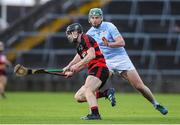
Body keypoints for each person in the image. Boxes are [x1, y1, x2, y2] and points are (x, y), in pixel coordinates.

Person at [86, 8, 168, 115]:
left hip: (120, 58)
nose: (95, 20)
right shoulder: (89, 34)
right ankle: (95, 113)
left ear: (101, 18)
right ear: (89, 20)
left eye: (97, 18)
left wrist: (109, 44)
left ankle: (155, 104)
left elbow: (121, 42)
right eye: (92, 18)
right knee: (92, 88)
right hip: (105, 61)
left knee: (139, 86)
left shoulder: (109, 26)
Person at [63, 23, 113, 120]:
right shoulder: (79, 46)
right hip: (93, 69)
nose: (69, 36)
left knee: (88, 90)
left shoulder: (85, 38)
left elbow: (91, 56)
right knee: (79, 97)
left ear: (76, 32)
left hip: (99, 67)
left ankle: (95, 114)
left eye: (70, 33)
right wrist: (72, 71)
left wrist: (75, 66)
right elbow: (85, 63)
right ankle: (106, 93)